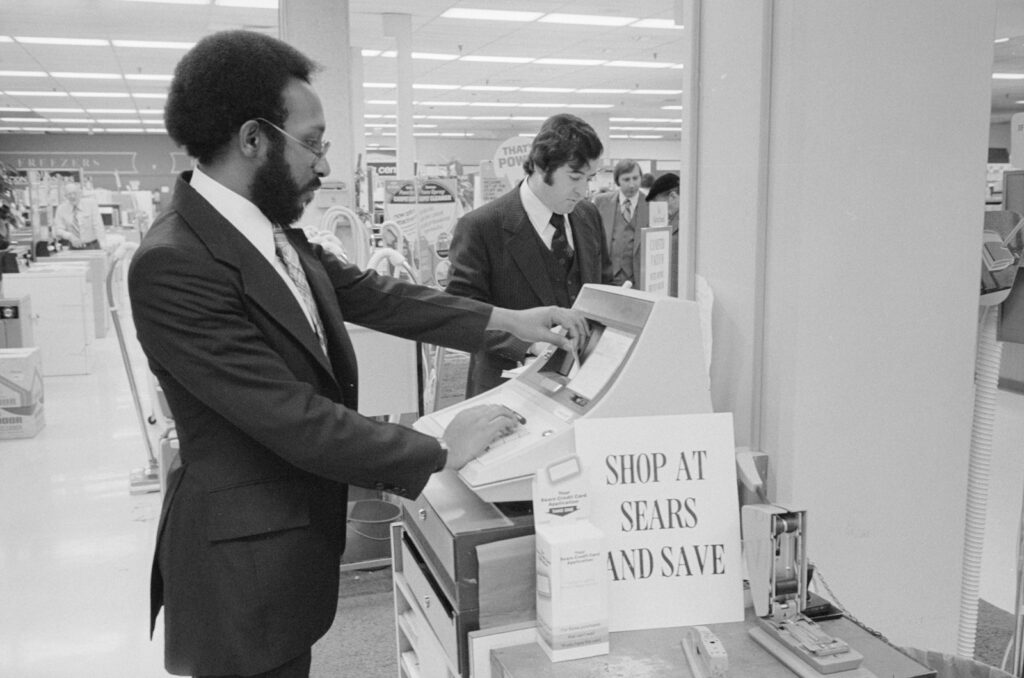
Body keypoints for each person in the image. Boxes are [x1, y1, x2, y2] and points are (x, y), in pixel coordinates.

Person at [129, 30, 587, 678]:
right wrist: (438, 448)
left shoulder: (272, 233)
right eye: (313, 144)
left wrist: (510, 320)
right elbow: (292, 416)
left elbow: (379, 296)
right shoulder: (175, 263)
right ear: (252, 140)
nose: (323, 166)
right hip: (237, 575)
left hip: (285, 556)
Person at [445, 113, 613, 397]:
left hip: (582, 386)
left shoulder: (588, 215)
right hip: (505, 388)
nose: (583, 191)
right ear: (540, 166)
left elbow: (603, 284)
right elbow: (464, 314)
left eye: (590, 178)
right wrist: (530, 343)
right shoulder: (482, 226)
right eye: (574, 177)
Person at [593, 159, 648, 288]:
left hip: (638, 279)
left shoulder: (652, 205)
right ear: (618, 181)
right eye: (626, 179)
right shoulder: (601, 202)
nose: (632, 184)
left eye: (635, 178)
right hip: (608, 278)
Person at [645, 172, 681, 296]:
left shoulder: (686, 226)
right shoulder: (671, 222)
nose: (658, 211)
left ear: (673, 197)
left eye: (658, 204)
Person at [52, 182, 106, 250]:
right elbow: (58, 230)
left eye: (75, 193)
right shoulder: (61, 209)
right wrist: (70, 236)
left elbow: (98, 226)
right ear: (65, 196)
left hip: (91, 246)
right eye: (69, 194)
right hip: (73, 247)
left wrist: (103, 245)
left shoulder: (91, 204)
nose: (72, 196)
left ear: (80, 193)